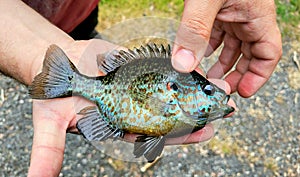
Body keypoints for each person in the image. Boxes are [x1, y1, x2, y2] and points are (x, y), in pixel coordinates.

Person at [0, 0, 281, 176]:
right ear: (178, 91)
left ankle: (76, 50)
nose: (216, 96)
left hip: (80, 10)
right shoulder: (178, 103)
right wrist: (32, 53)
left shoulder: (188, 113)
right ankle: (67, 77)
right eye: (208, 91)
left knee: (85, 24)